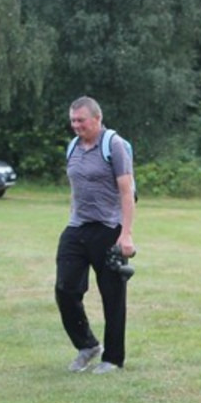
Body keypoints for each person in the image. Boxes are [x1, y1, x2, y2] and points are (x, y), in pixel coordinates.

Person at [56, 96, 136, 375]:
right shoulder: (73, 147)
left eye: (81, 120)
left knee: (112, 296)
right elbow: (76, 188)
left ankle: (113, 358)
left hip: (108, 228)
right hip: (78, 227)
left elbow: (126, 192)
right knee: (65, 288)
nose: (76, 125)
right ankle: (87, 345)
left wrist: (126, 234)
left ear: (97, 119)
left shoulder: (113, 145)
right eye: (73, 121)